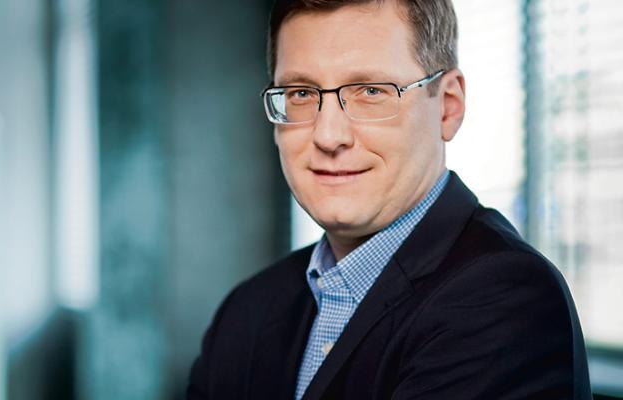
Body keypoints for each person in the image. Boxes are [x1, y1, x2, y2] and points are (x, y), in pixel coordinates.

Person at [188, 0, 591, 398]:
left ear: (447, 107)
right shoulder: (248, 310)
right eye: (301, 93)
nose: (328, 136)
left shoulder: (504, 298)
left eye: (371, 91)